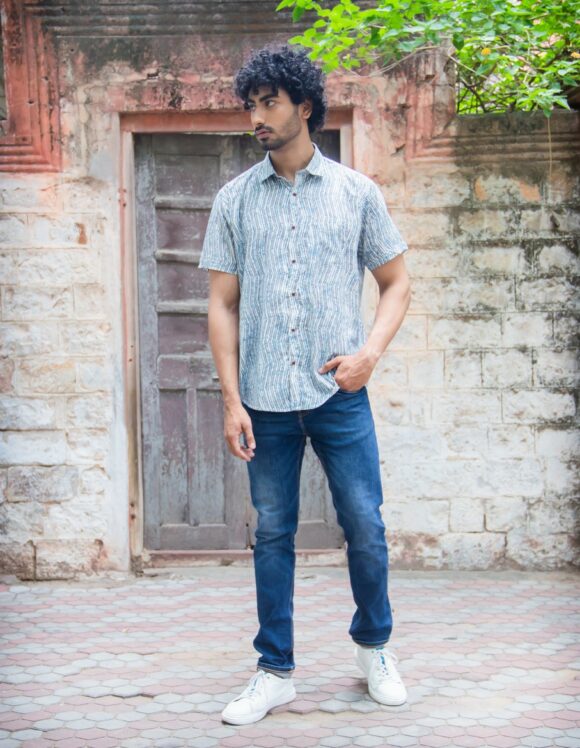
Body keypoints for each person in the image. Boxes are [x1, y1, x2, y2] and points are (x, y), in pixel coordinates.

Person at [198, 43, 411, 726]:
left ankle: (374, 649)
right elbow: (221, 304)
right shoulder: (234, 200)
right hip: (264, 399)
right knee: (272, 533)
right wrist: (231, 401)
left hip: (339, 395)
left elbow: (396, 282)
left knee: (365, 524)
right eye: (251, 105)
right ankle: (275, 671)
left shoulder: (356, 194)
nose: (257, 117)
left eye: (270, 103)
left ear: (305, 106)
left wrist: (368, 355)